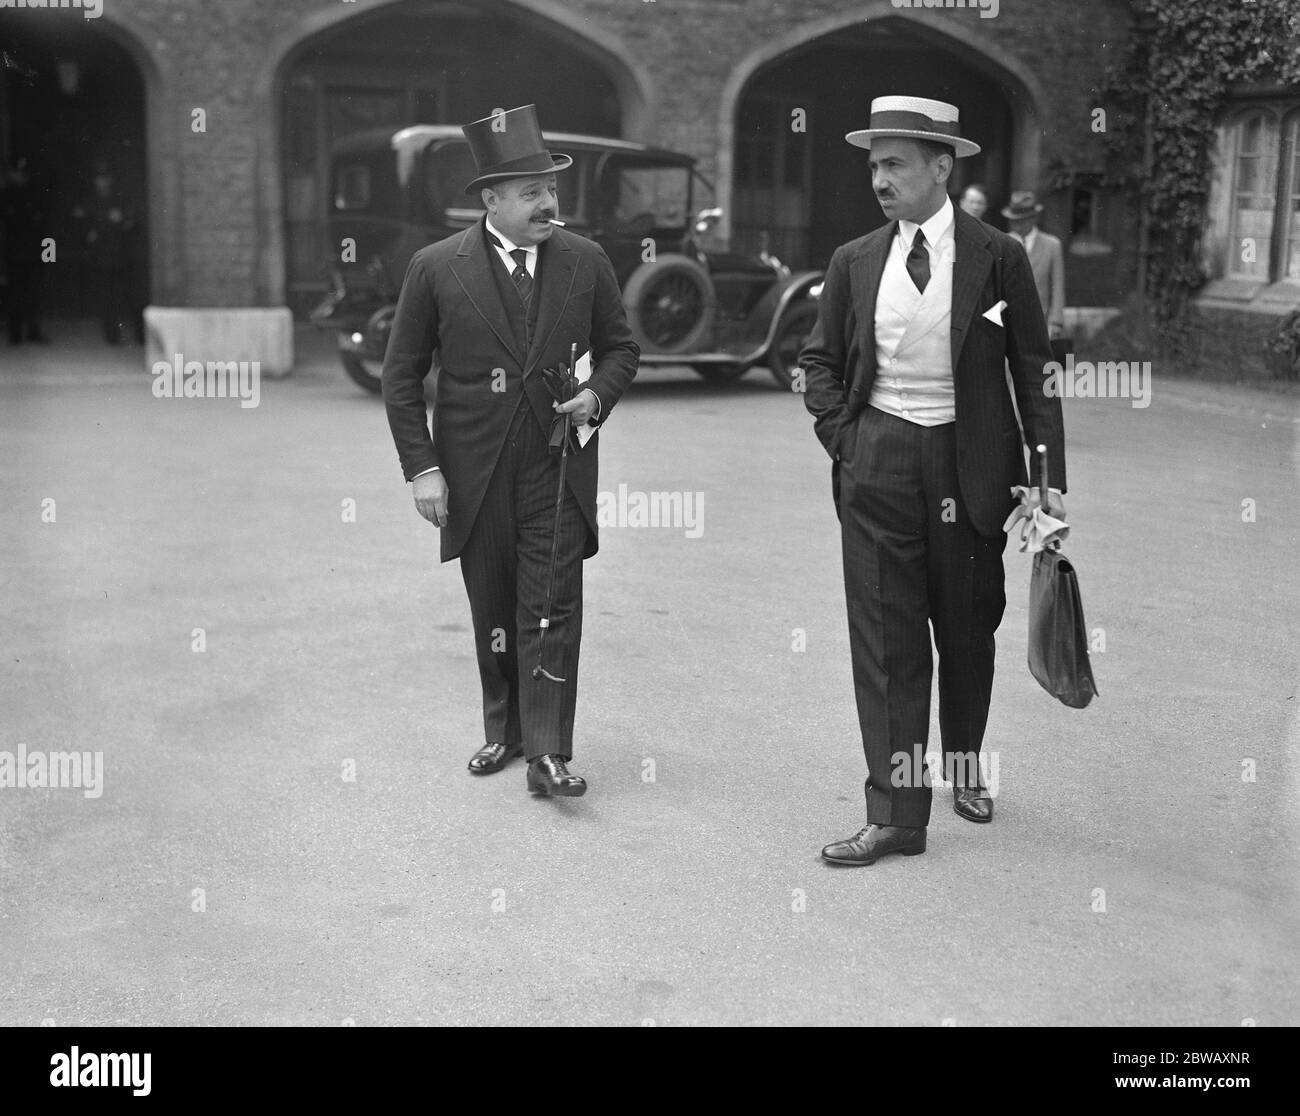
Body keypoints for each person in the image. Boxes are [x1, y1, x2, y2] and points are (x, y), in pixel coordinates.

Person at [800, 96, 1068, 866]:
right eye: (874, 166)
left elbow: (1033, 369)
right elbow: (818, 365)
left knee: (967, 629)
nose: (880, 180)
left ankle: (964, 764)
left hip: (971, 461)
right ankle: (896, 817)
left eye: (895, 165)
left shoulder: (998, 256)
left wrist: (1046, 479)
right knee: (886, 642)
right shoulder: (854, 260)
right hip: (877, 459)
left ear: (941, 166)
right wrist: (845, 440)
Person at [381, 104, 639, 799]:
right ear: (491, 200)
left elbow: (621, 348)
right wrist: (424, 468)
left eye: (551, 188)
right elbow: (400, 376)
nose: (548, 203)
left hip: (557, 463)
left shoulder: (585, 260)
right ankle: (508, 730)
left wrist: (597, 397)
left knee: (552, 604)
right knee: (494, 607)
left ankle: (550, 751)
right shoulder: (436, 268)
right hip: (473, 470)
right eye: (531, 192)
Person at [1003, 190, 1066, 344]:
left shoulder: (1052, 245)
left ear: (1034, 219)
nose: (1017, 224)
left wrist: (1056, 321)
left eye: (1023, 220)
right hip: (1007, 321)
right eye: (1014, 220)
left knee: (1037, 365)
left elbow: (1057, 285)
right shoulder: (1002, 243)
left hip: (1040, 320)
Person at [1, 155, 52, 345]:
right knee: (15, 295)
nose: (20, 176)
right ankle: (15, 334)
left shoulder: (36, 196)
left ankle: (33, 331)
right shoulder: (6, 196)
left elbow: (47, 230)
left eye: (23, 173)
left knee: (34, 295)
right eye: (17, 172)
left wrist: (49, 256)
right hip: (13, 256)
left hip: (35, 255)